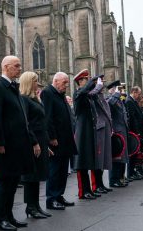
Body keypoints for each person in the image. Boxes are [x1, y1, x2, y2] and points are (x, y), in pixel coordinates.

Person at [0, 56, 34, 230]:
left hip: (18, 144)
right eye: (16, 66)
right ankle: (0, 220)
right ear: (6, 67)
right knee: (5, 184)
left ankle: (9, 216)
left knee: (13, 183)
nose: (19, 68)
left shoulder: (13, 88)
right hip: (6, 146)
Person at [42, 72, 77, 211]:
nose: (66, 86)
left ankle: (59, 195)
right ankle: (51, 198)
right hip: (56, 140)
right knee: (55, 170)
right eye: (64, 83)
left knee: (63, 170)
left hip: (65, 139)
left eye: (67, 83)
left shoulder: (59, 94)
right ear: (56, 81)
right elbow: (48, 117)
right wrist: (51, 137)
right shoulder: (48, 93)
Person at [19, 71, 51, 219]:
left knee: (37, 175)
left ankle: (36, 205)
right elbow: (26, 123)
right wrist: (34, 142)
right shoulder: (24, 99)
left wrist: (45, 144)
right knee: (31, 176)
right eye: (35, 81)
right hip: (32, 141)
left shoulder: (35, 99)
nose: (37, 84)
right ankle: (30, 207)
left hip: (41, 140)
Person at [72, 69, 100, 199]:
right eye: (86, 80)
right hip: (82, 132)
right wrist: (92, 82)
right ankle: (83, 191)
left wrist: (96, 84)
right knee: (81, 163)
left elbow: (92, 93)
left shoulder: (86, 95)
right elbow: (83, 92)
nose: (88, 82)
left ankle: (88, 189)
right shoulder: (78, 93)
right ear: (80, 81)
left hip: (88, 131)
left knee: (88, 161)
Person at [107, 82, 128, 188]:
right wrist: (116, 94)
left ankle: (120, 177)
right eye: (117, 88)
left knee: (122, 158)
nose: (119, 90)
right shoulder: (110, 98)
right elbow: (110, 104)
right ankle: (113, 180)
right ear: (111, 89)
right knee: (116, 158)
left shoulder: (119, 99)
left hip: (122, 132)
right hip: (116, 132)